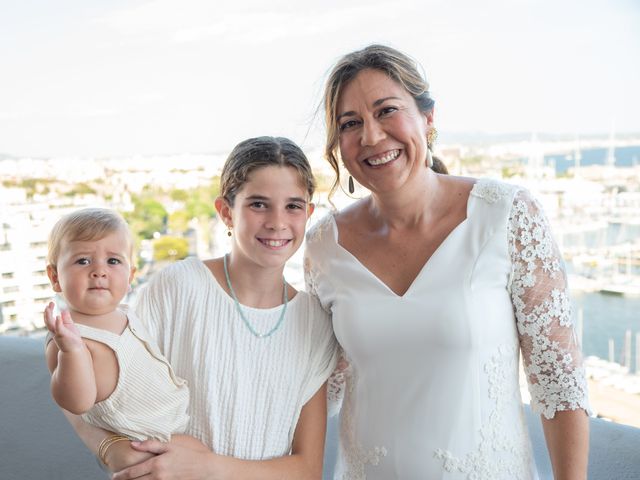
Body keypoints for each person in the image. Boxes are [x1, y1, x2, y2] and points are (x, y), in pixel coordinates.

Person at [304, 44, 590, 479]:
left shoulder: (506, 214)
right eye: (350, 123)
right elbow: (322, 384)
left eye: (386, 111)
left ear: (428, 118)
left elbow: (558, 381)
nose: (372, 136)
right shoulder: (324, 245)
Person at [58, 136, 338, 479]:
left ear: (308, 213)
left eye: (293, 206)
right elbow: (91, 380)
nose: (278, 222)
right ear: (225, 212)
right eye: (258, 204)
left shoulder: (314, 323)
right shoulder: (179, 287)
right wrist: (109, 449)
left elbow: (307, 469)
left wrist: (208, 467)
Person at [44, 208, 201, 470]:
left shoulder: (127, 314)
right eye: (83, 261)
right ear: (55, 277)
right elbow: (77, 402)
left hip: (174, 432)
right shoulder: (70, 338)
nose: (99, 271)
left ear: (130, 276)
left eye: (113, 261)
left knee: (205, 457)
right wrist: (71, 352)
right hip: (139, 447)